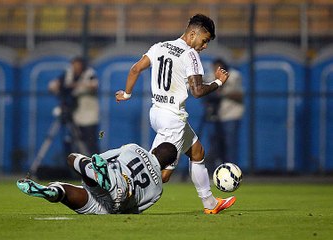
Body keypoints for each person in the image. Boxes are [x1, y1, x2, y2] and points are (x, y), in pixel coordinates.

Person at [115, 14, 235, 214]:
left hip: (157, 113)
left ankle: (210, 203)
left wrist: (127, 94)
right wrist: (219, 82)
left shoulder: (159, 46)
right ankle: (121, 194)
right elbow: (197, 91)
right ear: (193, 33)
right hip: (173, 119)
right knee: (160, 173)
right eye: (204, 41)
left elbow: (135, 69)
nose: (204, 46)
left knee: (197, 152)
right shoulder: (190, 54)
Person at [17, 142, 178, 214]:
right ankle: (54, 191)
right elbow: (136, 209)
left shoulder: (135, 148)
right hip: (117, 203)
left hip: (114, 178)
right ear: (167, 165)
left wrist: (93, 166)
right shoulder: (158, 190)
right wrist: (118, 206)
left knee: (73, 158)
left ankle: (53, 189)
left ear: (155, 149)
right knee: (72, 193)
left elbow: (103, 157)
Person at [48, 56, 99, 156]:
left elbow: (94, 85)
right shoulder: (68, 74)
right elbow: (54, 85)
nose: (75, 68)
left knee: (90, 142)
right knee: (71, 142)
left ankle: (95, 166)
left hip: (88, 115)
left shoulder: (89, 73)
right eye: (74, 65)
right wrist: (56, 87)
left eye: (78, 65)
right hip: (74, 113)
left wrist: (75, 85)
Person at [201, 58, 244, 167]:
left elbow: (240, 95)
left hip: (230, 115)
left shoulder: (234, 76)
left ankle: (231, 170)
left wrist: (222, 93)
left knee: (230, 146)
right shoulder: (210, 76)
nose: (216, 70)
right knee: (214, 146)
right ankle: (215, 171)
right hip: (214, 116)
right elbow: (205, 94)